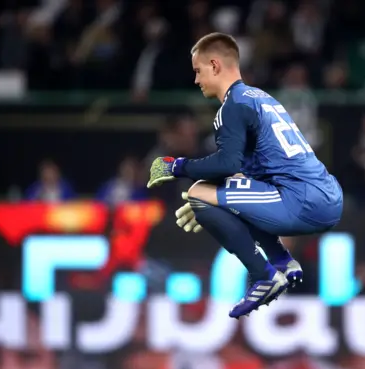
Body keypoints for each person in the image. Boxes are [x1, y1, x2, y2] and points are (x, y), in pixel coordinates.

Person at [146, 32, 343, 319]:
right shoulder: (261, 97)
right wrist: (220, 201)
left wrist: (175, 167)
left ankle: (264, 275)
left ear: (215, 66)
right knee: (218, 197)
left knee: (200, 191)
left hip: (302, 199)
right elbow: (248, 171)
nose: (196, 80)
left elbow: (226, 163)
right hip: (326, 193)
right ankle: (283, 263)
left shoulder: (233, 107)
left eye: (199, 71)